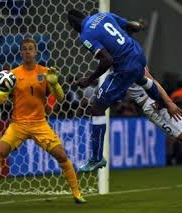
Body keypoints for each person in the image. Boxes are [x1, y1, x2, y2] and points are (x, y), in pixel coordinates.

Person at [0, 38, 86, 204]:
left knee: (61, 155)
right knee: (0, 151)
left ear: (36, 52)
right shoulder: (12, 74)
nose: (28, 51)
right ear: (21, 52)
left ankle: (77, 193)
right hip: (19, 124)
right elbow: (1, 100)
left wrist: (56, 84)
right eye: (24, 49)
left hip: (39, 124)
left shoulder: (45, 73)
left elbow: (60, 97)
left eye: (31, 48)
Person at [67, 9, 181, 172]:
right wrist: (140, 25)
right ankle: (162, 102)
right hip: (138, 55)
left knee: (97, 108)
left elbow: (107, 60)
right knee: (141, 77)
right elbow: (130, 26)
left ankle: (96, 158)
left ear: (73, 25)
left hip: (127, 71)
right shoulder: (103, 15)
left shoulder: (85, 35)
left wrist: (89, 79)